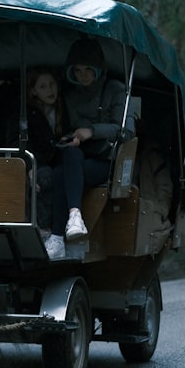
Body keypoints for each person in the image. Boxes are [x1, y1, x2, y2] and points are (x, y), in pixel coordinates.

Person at [43, 38, 133, 260]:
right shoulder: (70, 94)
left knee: (63, 172)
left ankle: (57, 234)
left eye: (88, 70)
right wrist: (70, 138)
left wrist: (91, 131)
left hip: (106, 161)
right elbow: (66, 128)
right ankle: (72, 220)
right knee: (61, 167)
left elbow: (126, 131)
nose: (83, 76)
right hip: (77, 157)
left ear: (98, 69)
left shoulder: (115, 90)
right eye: (78, 70)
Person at [26, 67, 68, 232]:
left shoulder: (62, 108)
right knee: (43, 178)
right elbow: (22, 142)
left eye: (52, 84)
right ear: (33, 91)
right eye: (43, 87)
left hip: (60, 160)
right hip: (38, 162)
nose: (50, 90)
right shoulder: (28, 113)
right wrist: (30, 168)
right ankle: (44, 229)